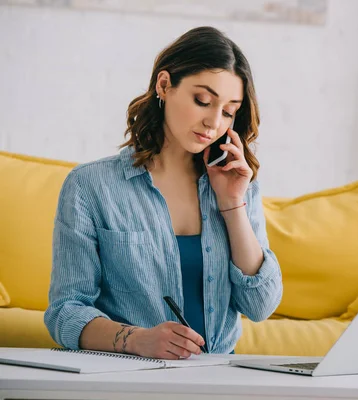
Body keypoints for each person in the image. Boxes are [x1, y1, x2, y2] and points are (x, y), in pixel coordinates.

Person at [44, 26, 283, 359]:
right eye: (203, 101)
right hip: (128, 380)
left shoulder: (237, 185)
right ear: (164, 85)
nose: (214, 122)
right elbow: (65, 312)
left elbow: (261, 305)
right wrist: (136, 339)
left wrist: (232, 203)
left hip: (219, 384)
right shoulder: (90, 187)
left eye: (228, 111)